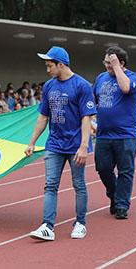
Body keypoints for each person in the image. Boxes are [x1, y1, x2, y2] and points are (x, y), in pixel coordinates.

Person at [25, 46, 96, 241]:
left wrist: (83, 146)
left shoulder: (81, 86)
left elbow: (86, 118)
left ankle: (80, 223)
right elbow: (43, 116)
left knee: (78, 184)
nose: (47, 70)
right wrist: (32, 142)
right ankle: (47, 226)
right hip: (54, 144)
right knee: (50, 185)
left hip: (75, 146)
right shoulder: (49, 86)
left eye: (50, 66)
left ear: (61, 64)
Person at [92, 46, 136, 219]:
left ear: (121, 63)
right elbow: (92, 101)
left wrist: (117, 68)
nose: (106, 66)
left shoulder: (132, 77)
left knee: (125, 171)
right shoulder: (100, 78)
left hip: (126, 135)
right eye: (105, 62)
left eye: (110, 63)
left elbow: (126, 88)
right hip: (104, 134)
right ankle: (114, 194)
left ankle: (121, 205)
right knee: (102, 168)